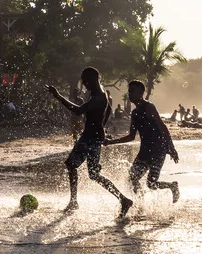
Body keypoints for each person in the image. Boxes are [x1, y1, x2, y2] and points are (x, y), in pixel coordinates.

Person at [47, 66, 133, 217]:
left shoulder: (98, 96)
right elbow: (106, 113)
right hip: (96, 136)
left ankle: (74, 201)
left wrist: (58, 96)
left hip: (90, 137)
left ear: (93, 78)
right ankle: (123, 199)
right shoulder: (101, 93)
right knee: (93, 174)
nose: (84, 83)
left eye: (85, 80)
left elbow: (78, 111)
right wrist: (102, 130)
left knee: (71, 164)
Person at [104, 80, 180, 202]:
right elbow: (131, 137)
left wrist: (171, 148)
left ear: (141, 92)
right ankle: (141, 202)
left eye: (132, 91)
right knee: (132, 178)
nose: (129, 94)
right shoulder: (134, 113)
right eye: (129, 91)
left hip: (158, 150)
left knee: (151, 183)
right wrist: (110, 142)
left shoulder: (149, 106)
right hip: (144, 152)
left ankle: (172, 186)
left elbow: (162, 127)